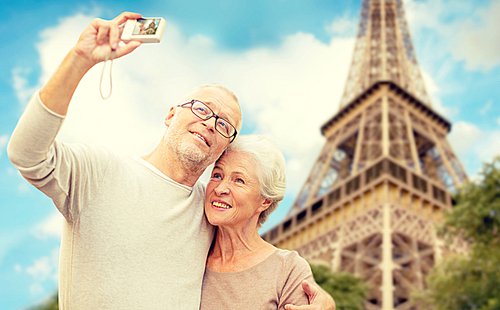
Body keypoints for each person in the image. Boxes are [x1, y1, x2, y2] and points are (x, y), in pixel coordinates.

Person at [7, 12, 335, 310]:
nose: (210, 122)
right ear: (170, 114)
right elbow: (25, 153)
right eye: (202, 108)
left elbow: (251, 266)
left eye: (224, 125)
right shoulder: (99, 171)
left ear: (223, 148)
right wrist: (79, 60)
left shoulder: (209, 214)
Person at [201, 135, 315, 309]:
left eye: (239, 180)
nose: (220, 188)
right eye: (217, 175)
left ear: (265, 201)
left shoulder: (288, 270)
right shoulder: (191, 251)